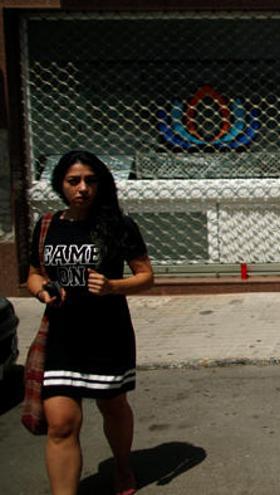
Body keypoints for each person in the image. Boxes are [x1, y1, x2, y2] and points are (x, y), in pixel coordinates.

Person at [27, 150, 154, 495]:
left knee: (112, 406)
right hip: (62, 338)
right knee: (61, 425)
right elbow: (34, 274)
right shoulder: (47, 225)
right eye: (73, 181)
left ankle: (123, 467)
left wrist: (114, 286)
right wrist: (42, 293)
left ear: (101, 184)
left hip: (107, 335)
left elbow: (146, 276)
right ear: (60, 184)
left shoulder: (118, 226)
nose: (82, 188)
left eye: (90, 181)